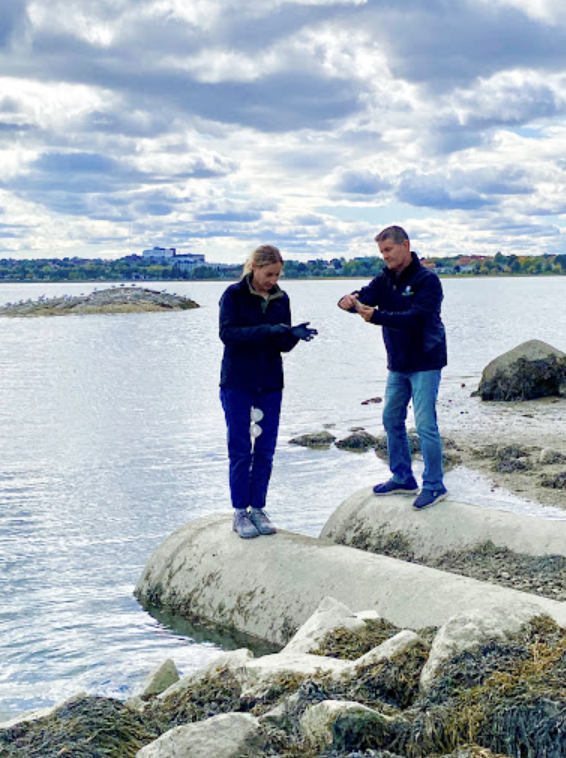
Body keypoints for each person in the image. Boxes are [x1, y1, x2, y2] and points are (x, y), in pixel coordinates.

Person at [338, 225, 448, 510]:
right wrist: (348, 301)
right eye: (381, 252)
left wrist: (377, 317)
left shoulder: (427, 280)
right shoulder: (385, 278)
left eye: (388, 250)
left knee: (425, 425)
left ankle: (435, 485)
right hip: (398, 363)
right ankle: (402, 477)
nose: (384, 256)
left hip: (426, 361)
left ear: (406, 245)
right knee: (390, 419)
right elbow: (363, 297)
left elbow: (416, 318)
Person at [219, 244, 317, 538]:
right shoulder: (233, 295)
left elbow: (282, 344)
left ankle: (258, 508)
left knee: (265, 450)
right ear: (255, 268)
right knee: (240, 449)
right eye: (269, 274)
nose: (273, 280)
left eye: (277, 275)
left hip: (271, 383)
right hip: (238, 382)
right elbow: (228, 335)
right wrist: (269, 331)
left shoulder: (281, 298)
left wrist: (293, 336)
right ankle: (240, 512)